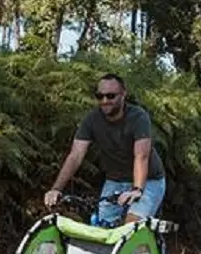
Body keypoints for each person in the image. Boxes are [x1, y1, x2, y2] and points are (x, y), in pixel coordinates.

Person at [44, 73, 167, 227]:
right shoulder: (91, 120)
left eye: (110, 96)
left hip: (148, 181)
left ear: (123, 95)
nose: (104, 101)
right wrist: (56, 189)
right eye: (100, 96)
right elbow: (75, 155)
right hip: (115, 180)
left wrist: (137, 189)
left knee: (132, 228)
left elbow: (141, 156)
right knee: (101, 231)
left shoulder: (138, 117)